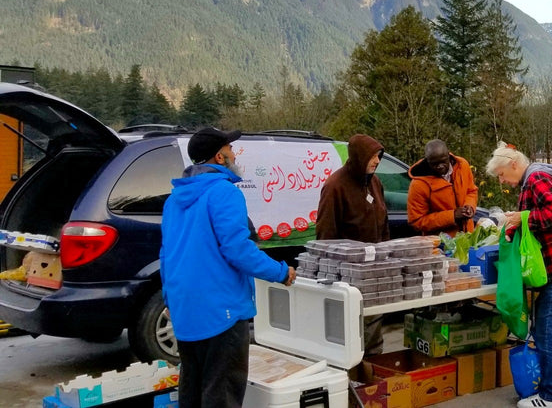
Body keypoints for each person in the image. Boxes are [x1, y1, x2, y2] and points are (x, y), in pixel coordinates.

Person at [161, 127, 296, 408]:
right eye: (231, 149)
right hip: (221, 309)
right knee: (221, 392)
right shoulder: (223, 192)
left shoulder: (174, 199)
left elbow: (167, 254)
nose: (235, 154)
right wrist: (281, 272)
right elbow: (238, 250)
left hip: (185, 309)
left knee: (192, 388)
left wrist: (169, 297)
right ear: (220, 157)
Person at [487, 145, 552, 408]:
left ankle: (551, 395)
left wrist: (523, 217)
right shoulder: (534, 179)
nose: (502, 180)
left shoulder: (537, 179)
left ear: (514, 165)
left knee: (546, 328)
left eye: (502, 174)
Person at [316, 133, 389, 354]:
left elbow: (383, 221)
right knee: (352, 330)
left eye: (379, 156)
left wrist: (387, 255)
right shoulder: (335, 186)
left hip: (374, 268)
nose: (377, 161)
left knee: (374, 323)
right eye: (372, 157)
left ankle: (373, 370)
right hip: (347, 273)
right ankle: (353, 373)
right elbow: (325, 234)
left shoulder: (375, 182)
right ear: (359, 157)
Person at [406, 139, 479, 235]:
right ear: (427, 161)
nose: (440, 166)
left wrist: (469, 206)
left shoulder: (462, 165)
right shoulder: (418, 184)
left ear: (448, 155)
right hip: (441, 244)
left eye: (443, 161)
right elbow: (417, 221)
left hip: (468, 236)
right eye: (434, 164)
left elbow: (471, 191)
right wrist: (452, 216)